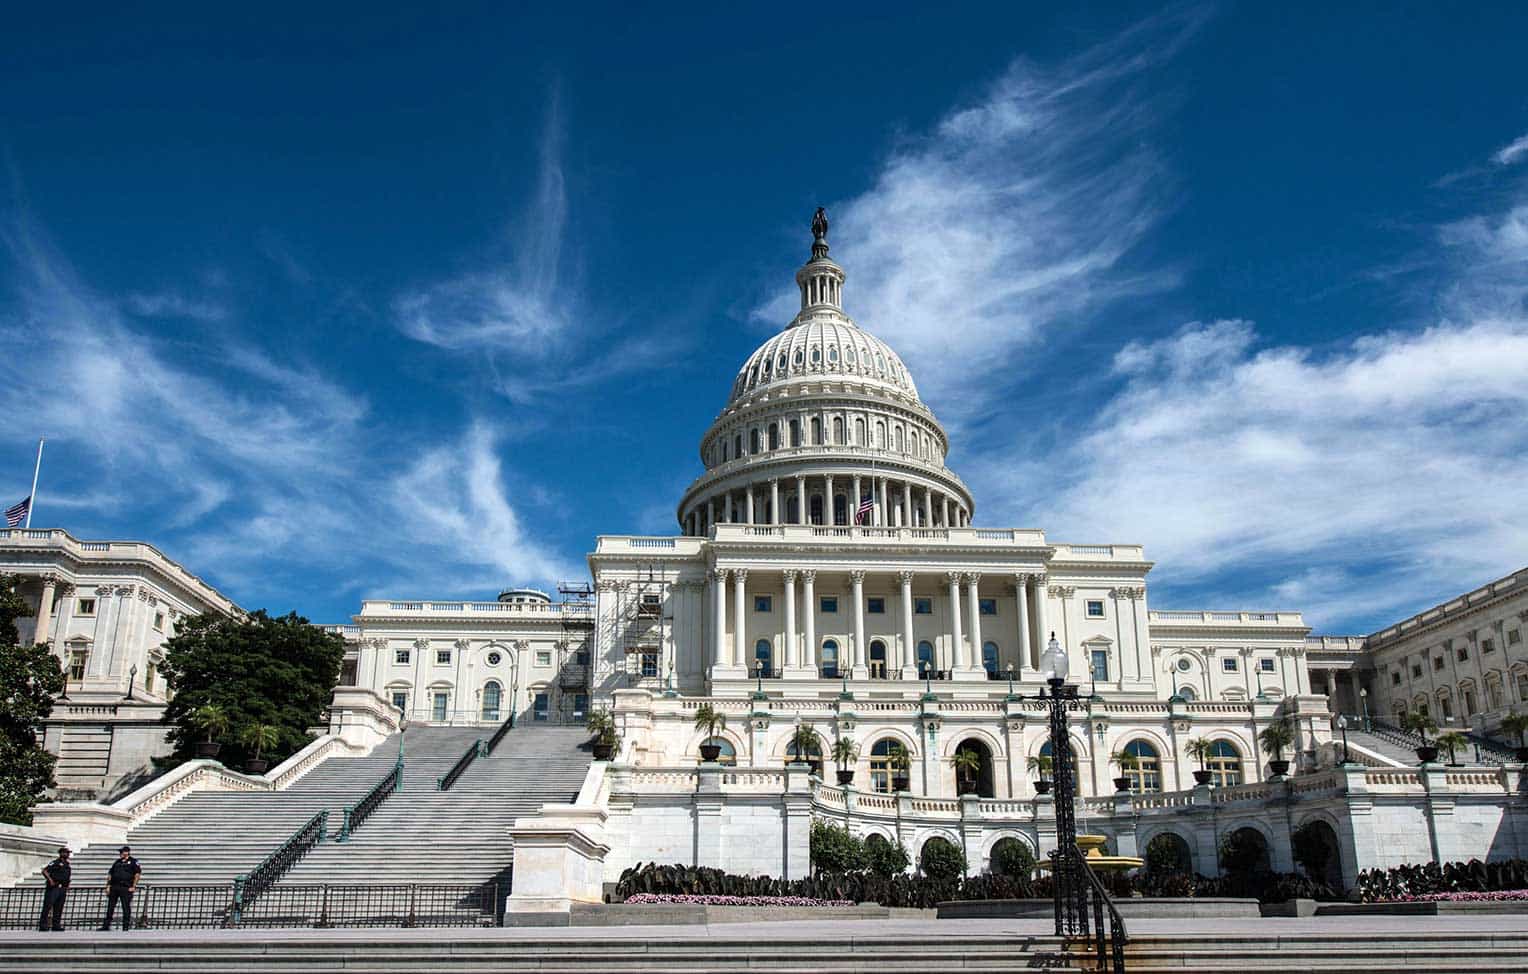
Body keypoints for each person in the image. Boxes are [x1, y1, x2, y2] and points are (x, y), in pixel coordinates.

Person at [99, 846, 141, 931]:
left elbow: (137, 874)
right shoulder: (117, 862)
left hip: (126, 887)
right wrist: (108, 886)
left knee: (126, 907)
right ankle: (106, 925)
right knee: (110, 907)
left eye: (122, 852)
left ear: (127, 852)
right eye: (120, 852)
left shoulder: (133, 862)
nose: (120, 854)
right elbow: (110, 874)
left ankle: (125, 926)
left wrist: (133, 886)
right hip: (114, 887)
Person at [38, 847, 71, 931]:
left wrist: (67, 885)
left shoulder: (67, 864)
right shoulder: (55, 862)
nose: (68, 854)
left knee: (59, 907)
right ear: (61, 853)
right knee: (48, 906)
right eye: (66, 853)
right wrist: (50, 880)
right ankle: (43, 925)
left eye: (68, 853)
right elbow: (44, 871)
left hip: (62, 888)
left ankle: (56, 925)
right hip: (53, 888)